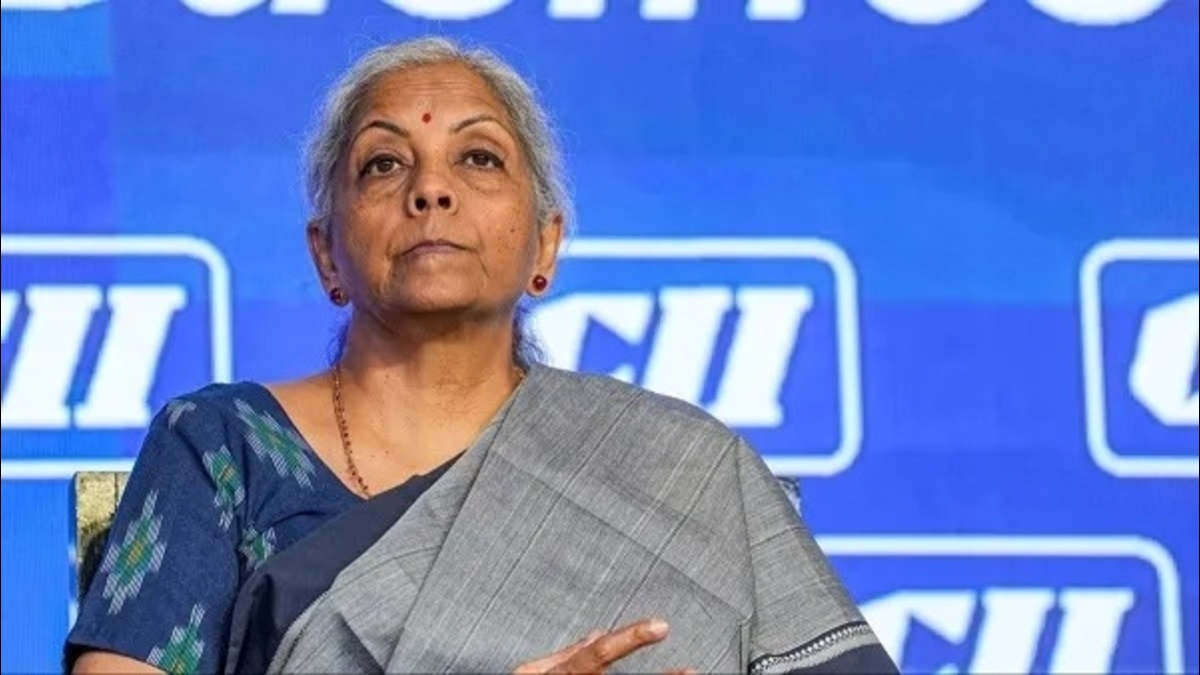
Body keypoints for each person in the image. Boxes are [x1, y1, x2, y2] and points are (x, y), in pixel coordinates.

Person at [66, 36, 899, 675]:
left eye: (479, 157)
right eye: (384, 164)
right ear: (326, 254)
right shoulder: (223, 445)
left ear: (546, 244)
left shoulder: (678, 471)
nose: (431, 189)